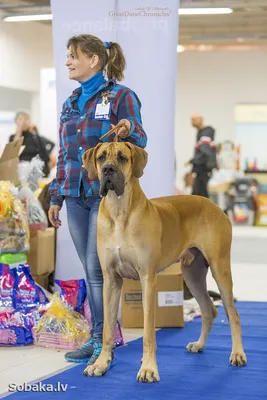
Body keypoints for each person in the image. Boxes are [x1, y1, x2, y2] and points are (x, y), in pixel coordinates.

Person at [48, 34, 147, 368]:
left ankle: (100, 341)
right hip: (74, 196)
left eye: (73, 55)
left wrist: (128, 126)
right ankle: (104, 335)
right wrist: (56, 195)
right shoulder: (71, 102)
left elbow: (140, 138)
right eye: (67, 56)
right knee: (93, 271)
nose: (68, 61)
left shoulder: (121, 95)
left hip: (105, 197)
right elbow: (65, 154)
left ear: (93, 60)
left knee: (96, 270)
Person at [9, 111, 55, 177]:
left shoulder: (35, 137)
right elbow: (12, 154)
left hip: (34, 170)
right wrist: (18, 132)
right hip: (19, 170)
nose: (23, 122)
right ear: (16, 122)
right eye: (21, 119)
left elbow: (45, 156)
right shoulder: (13, 137)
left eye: (26, 119)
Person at [186, 114, 217, 198]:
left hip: (204, 170)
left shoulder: (206, 133)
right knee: (197, 194)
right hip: (200, 170)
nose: (192, 122)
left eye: (195, 119)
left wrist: (193, 161)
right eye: (192, 120)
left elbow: (205, 151)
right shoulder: (200, 134)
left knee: (201, 195)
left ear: (201, 120)